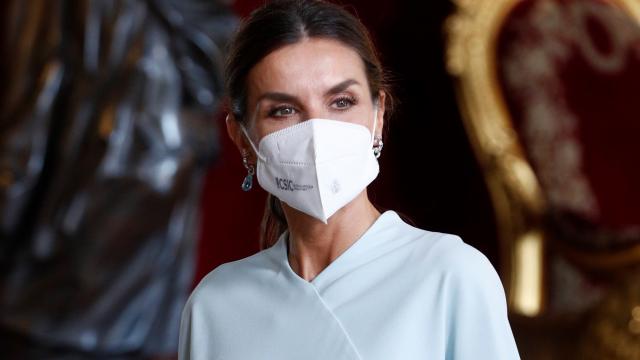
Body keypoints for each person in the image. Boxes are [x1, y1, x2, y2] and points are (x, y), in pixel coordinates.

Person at [179, 0, 520, 359]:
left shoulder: (452, 275)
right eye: (283, 110)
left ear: (378, 117)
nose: (316, 131)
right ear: (241, 137)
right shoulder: (214, 306)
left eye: (341, 102)